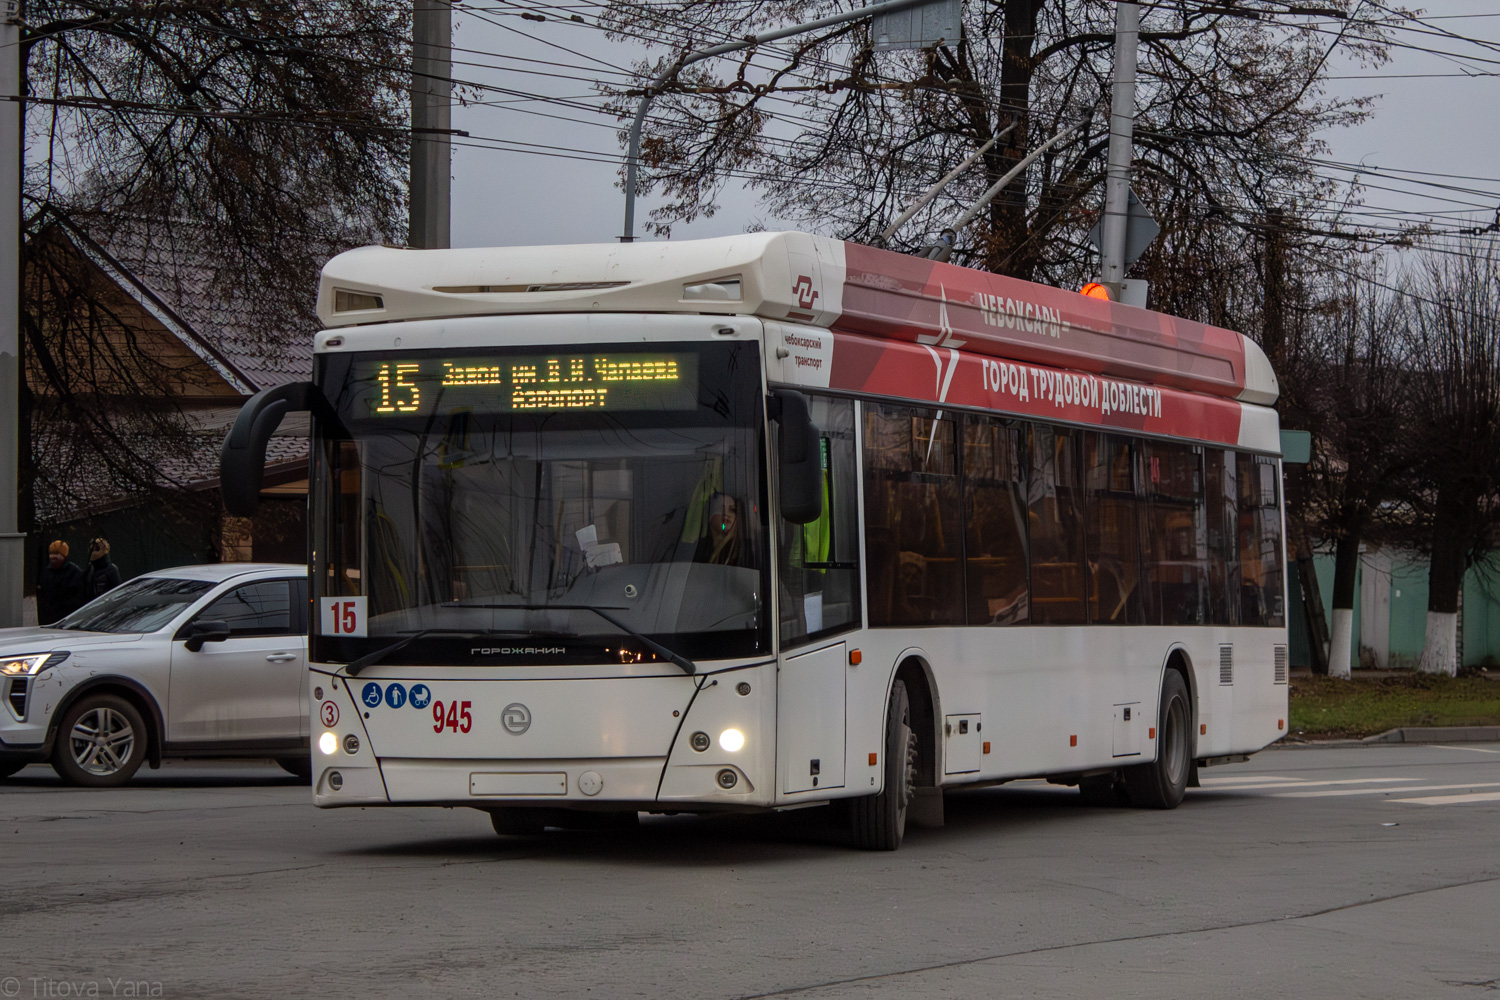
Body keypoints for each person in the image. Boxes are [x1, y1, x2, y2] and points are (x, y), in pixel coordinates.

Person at [693, 492, 757, 568]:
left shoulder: (744, 550)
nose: (726, 514)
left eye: (732, 509)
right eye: (720, 508)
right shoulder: (698, 547)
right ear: (709, 515)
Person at [36, 540, 87, 625]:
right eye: (52, 554)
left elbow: (79, 597)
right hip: (48, 621)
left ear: (65, 556)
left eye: (57, 554)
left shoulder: (74, 573)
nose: (54, 557)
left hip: (67, 620)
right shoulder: (46, 572)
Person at [86, 537, 122, 601]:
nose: (92, 552)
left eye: (96, 549)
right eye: (91, 549)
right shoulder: (89, 571)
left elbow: (118, 594)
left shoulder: (111, 569)